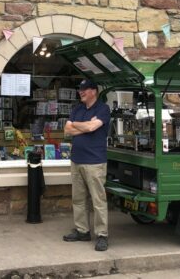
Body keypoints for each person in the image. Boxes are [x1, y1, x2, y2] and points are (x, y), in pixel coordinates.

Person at [63, 79, 111, 251]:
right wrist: (83, 125)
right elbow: (67, 130)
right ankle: (82, 231)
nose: (81, 92)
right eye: (80, 89)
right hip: (76, 160)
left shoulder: (103, 109)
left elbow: (92, 128)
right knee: (78, 199)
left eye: (84, 89)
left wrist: (78, 125)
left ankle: (102, 235)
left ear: (93, 91)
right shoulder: (77, 109)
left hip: (95, 162)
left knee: (98, 201)